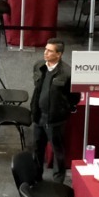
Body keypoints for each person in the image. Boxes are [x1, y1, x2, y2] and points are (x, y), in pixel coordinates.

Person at [30, 39, 73, 177]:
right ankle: (36, 178)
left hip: (55, 120)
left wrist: (62, 109)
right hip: (39, 116)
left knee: (57, 151)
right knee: (37, 149)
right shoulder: (39, 66)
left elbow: (73, 96)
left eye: (50, 50)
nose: (45, 52)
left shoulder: (67, 73)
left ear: (58, 54)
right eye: (45, 49)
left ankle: (58, 181)